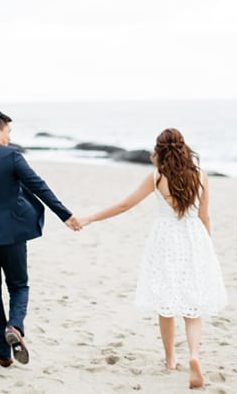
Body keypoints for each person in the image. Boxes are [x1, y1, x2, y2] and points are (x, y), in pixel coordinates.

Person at [79, 128, 227, 389]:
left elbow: (124, 205)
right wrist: (208, 248)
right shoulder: (201, 176)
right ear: (183, 147)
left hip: (166, 240)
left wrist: (90, 218)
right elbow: (204, 216)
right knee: (193, 305)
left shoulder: (157, 177)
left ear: (160, 150)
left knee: (165, 302)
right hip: (194, 239)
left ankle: (170, 359)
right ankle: (194, 355)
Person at [0, 111, 81, 367]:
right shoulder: (11, 156)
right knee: (19, 286)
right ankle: (15, 326)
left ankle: (2, 353)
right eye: (9, 133)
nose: (10, 139)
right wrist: (65, 215)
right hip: (11, 236)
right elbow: (38, 186)